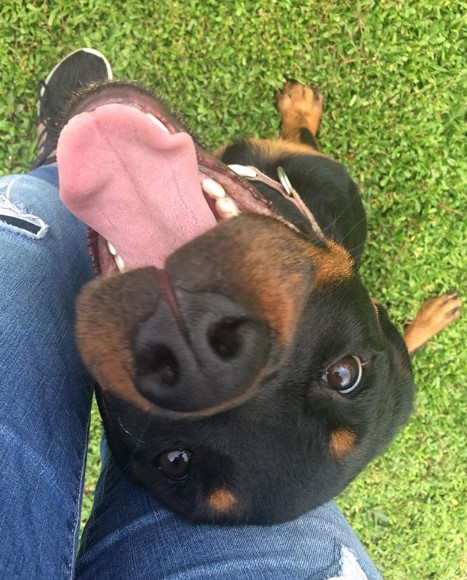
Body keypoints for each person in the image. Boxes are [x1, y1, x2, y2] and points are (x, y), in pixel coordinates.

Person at [0, 49, 381, 579]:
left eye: (178, 462)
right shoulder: (326, 198)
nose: (211, 350)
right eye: (342, 376)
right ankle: (66, 175)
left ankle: (61, 173)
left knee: (20, 247)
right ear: (376, 317)